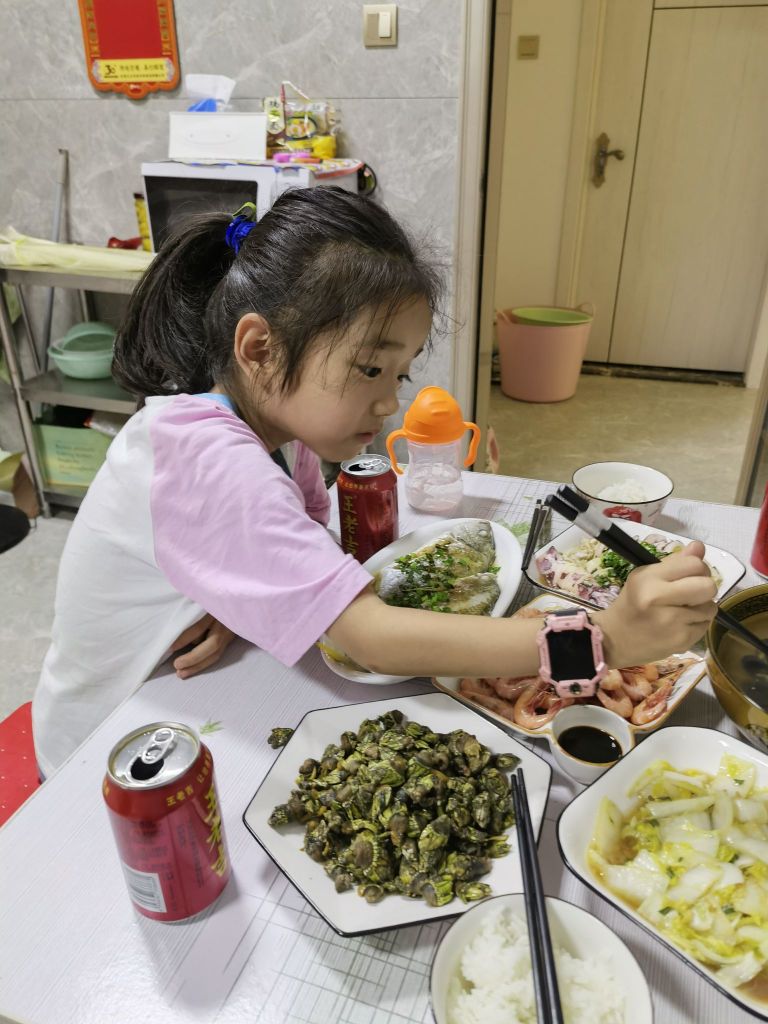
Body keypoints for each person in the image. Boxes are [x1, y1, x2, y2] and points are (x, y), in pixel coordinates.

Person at [31, 188, 717, 777]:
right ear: (260, 350)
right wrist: (604, 640)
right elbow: (371, 637)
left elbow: (289, 548)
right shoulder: (209, 458)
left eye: (401, 373)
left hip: (177, 696)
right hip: (106, 747)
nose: (389, 402)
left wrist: (229, 597)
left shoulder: (277, 437)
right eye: (369, 370)